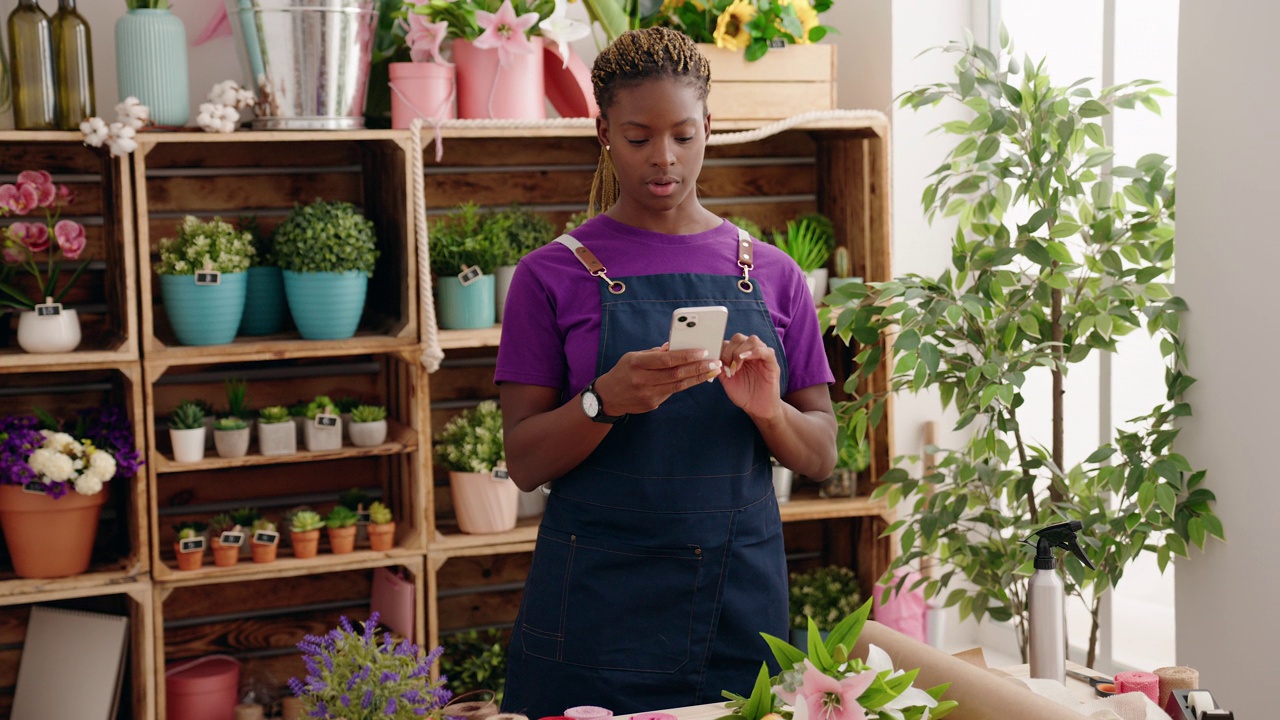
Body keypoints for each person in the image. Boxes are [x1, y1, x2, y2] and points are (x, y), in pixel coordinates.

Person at [495, 27, 838, 718]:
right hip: (598, 605)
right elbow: (525, 462)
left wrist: (769, 411)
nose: (663, 158)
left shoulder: (772, 273)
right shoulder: (549, 275)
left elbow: (822, 455)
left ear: (709, 127)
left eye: (683, 135)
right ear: (602, 132)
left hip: (737, 604)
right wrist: (604, 401)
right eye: (638, 136)